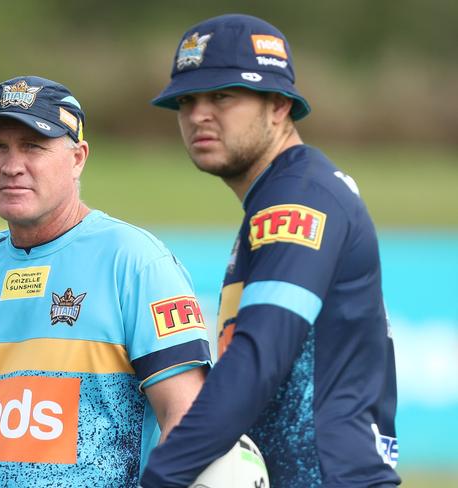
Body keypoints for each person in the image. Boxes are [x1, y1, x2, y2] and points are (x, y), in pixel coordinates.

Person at [140, 14, 400, 488]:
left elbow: (261, 355)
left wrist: (165, 472)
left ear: (279, 105)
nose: (199, 114)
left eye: (222, 96)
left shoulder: (299, 198)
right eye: (187, 100)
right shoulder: (288, 193)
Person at [0, 75, 211, 488]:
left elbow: (185, 416)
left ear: (78, 158)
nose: (12, 165)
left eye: (33, 146)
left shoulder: (135, 261)